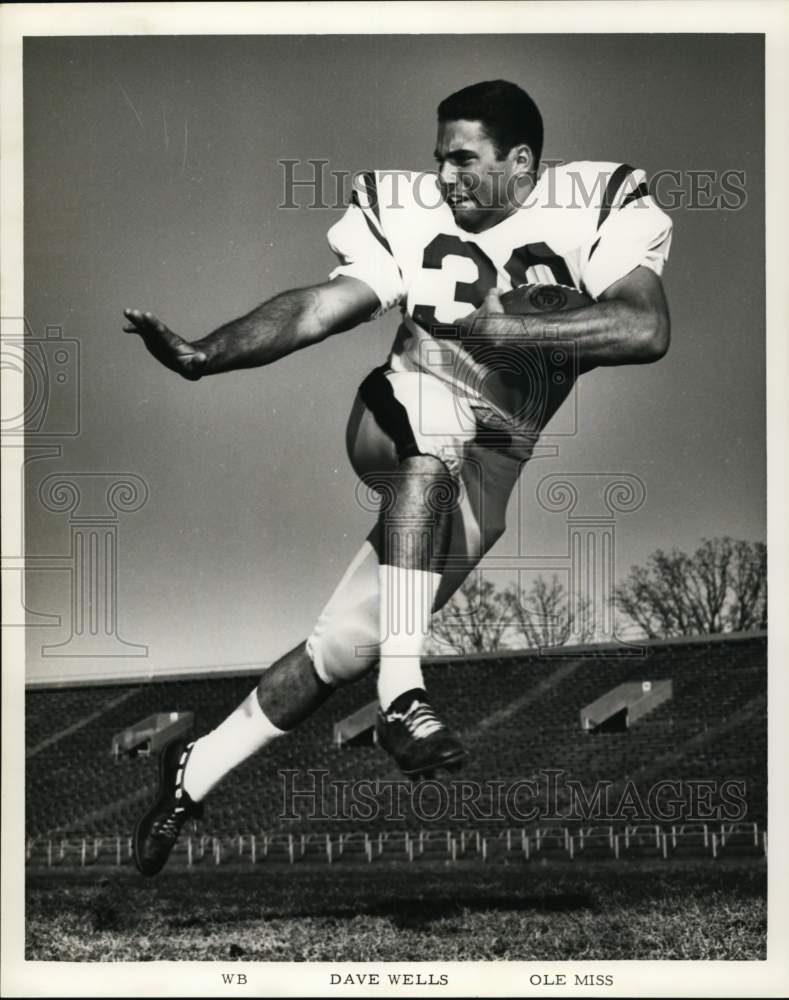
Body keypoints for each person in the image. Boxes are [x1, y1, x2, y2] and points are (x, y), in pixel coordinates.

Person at [125, 80, 672, 876]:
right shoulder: (407, 209)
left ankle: (193, 771)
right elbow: (323, 306)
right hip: (403, 411)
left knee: (337, 647)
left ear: (521, 162)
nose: (444, 176)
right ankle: (403, 694)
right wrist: (211, 353)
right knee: (432, 440)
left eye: (463, 159)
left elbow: (644, 326)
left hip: (494, 459)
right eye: (437, 158)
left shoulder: (596, 202)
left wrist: (506, 328)